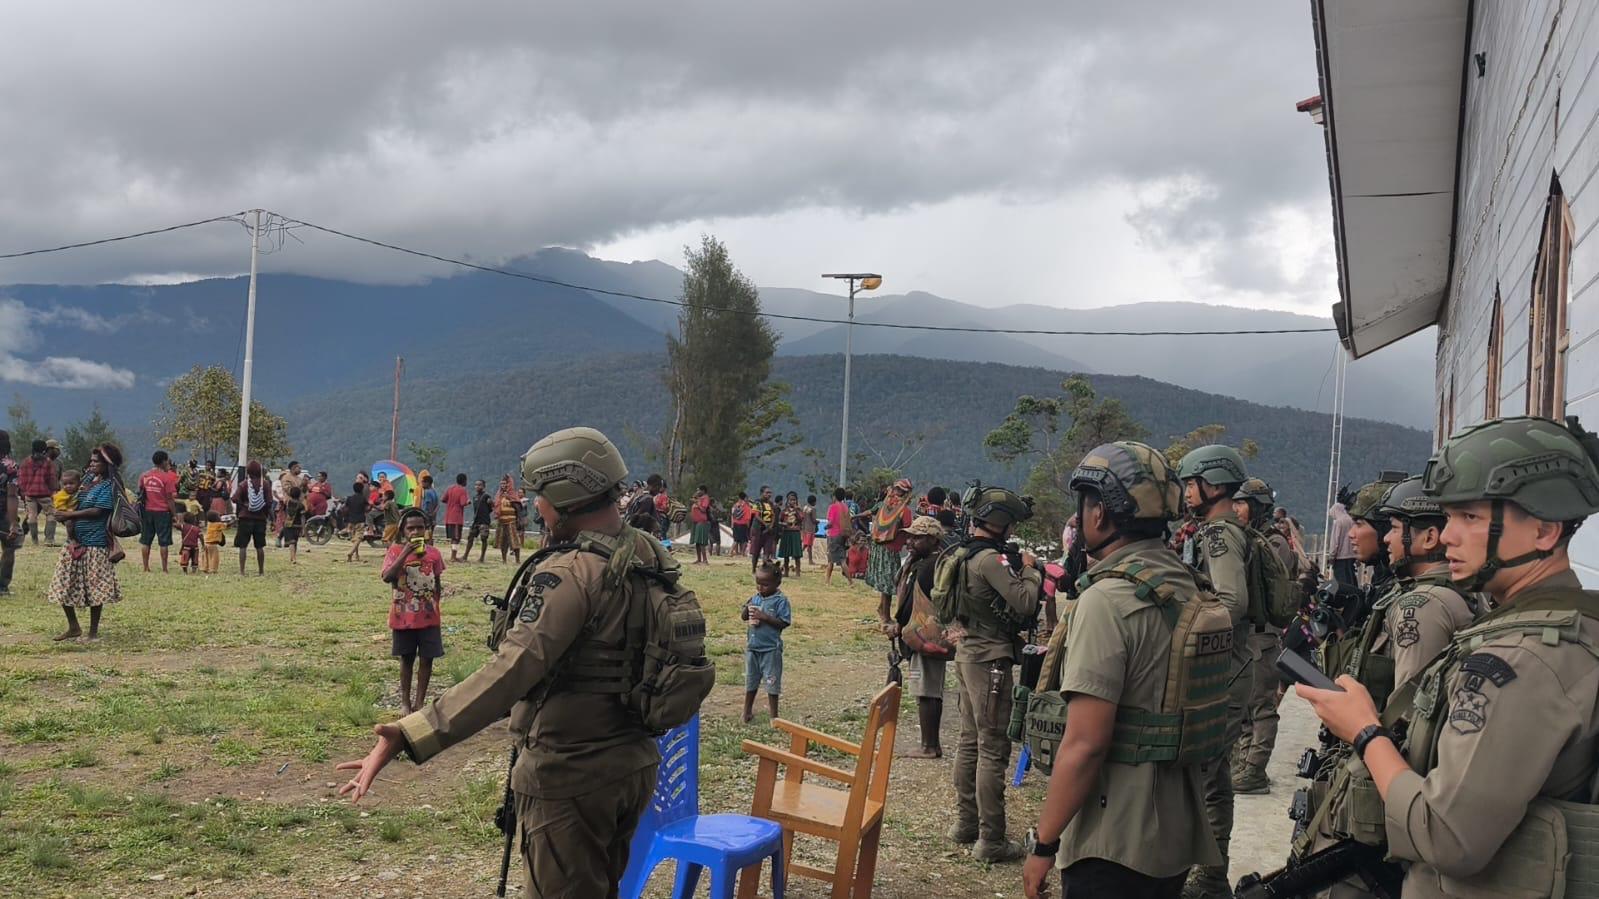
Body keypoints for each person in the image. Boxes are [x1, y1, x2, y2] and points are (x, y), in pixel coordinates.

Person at [336, 427, 667, 897]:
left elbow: (510, 672)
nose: (537, 507)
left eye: (541, 496)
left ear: (566, 495)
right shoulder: (647, 554)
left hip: (572, 773)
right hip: (633, 764)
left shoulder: (571, 573)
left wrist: (411, 733)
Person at [1294, 416, 1599, 898]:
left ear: (1544, 530)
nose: (1448, 536)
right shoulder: (1561, 624)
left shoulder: (1523, 659)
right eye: (1449, 517)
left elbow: (1445, 834)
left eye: (1470, 518)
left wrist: (1365, 731)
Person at [1022, 441, 1222, 899]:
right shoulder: (1186, 585)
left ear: (1099, 513)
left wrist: (1043, 844)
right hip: (1175, 830)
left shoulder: (1106, 601)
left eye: (1085, 505)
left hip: (1112, 839)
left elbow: (1086, 744)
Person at [1289, 475, 1478, 897]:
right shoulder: (1445, 594)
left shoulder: (1419, 607)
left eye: (1393, 527)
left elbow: (1412, 721)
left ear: (1427, 538)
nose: (1386, 537)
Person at [936, 484, 1041, 862]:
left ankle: (966, 823)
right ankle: (991, 839)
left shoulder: (964, 554)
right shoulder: (990, 561)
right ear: (1000, 522)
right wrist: (1030, 571)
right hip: (990, 659)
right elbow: (1025, 602)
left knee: (969, 741)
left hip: (968, 654)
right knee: (992, 748)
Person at [1174, 444, 1256, 899]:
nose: (1187, 492)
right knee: (1214, 773)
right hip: (1232, 665)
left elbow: (1231, 602)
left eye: (1193, 483)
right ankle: (1210, 872)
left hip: (1222, 669)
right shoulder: (1222, 531)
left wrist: (1185, 628)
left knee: (1203, 773)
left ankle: (1207, 875)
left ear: (1216, 484)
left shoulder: (1219, 535)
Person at [1230, 477, 1295, 796]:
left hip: (1263, 635)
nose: (1236, 509)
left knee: (1261, 707)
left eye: (1241, 503)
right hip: (1247, 636)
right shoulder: (1248, 539)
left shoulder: (1273, 543)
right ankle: (1244, 763)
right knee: (1244, 708)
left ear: (1257, 507)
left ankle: (1255, 769)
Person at [881, 515, 952, 759]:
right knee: (929, 689)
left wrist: (898, 626)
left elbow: (912, 605)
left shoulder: (927, 568)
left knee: (926, 691)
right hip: (928, 636)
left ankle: (929, 746)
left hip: (924, 638)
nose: (910, 542)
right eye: (909, 537)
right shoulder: (931, 563)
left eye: (917, 538)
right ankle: (931, 743)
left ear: (933, 540)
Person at [48, 444, 123, 641]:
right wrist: (62, 511)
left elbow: (98, 511)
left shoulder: (108, 486)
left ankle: (93, 632)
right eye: (91, 460)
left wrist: (69, 515)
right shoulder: (87, 480)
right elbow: (71, 496)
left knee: (95, 588)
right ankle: (73, 627)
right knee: (64, 583)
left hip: (95, 543)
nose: (92, 464)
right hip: (75, 542)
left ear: (107, 464)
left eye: (96, 461)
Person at [382, 508, 445, 714]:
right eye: (410, 528)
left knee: (427, 659)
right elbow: (387, 577)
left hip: (428, 617)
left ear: (426, 529)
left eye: (420, 528)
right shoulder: (395, 551)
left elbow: (437, 582)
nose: (415, 532)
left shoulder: (434, 554)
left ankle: (419, 703)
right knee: (406, 659)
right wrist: (405, 553)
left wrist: (435, 604)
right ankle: (405, 702)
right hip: (403, 617)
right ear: (403, 530)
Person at [742, 562, 792, 723]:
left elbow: (784, 623)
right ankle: (747, 712)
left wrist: (765, 617)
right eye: (758, 583)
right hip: (753, 647)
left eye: (765, 584)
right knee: (751, 680)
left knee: (772, 682)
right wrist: (747, 608)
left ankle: (774, 716)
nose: (760, 587)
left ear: (777, 583)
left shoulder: (780, 601)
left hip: (770, 649)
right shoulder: (755, 598)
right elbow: (743, 617)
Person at [861, 479, 914, 608]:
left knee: (886, 583)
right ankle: (884, 612)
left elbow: (871, 513)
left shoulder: (884, 505)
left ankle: (882, 609)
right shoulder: (904, 510)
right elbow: (908, 528)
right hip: (891, 549)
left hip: (878, 546)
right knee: (889, 583)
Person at [137, 450, 179, 573]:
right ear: (164, 461)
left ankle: (146, 567)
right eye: (167, 461)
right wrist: (175, 515)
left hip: (147, 511)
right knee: (163, 542)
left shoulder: (144, 476)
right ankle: (164, 569)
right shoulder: (167, 478)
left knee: (146, 540)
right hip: (163, 512)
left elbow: (140, 491)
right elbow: (170, 499)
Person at [233, 461, 271, 576]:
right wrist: (264, 512)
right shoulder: (265, 484)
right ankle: (261, 571)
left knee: (243, 546)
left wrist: (244, 505)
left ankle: (242, 571)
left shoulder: (244, 484)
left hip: (245, 518)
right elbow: (269, 502)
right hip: (260, 519)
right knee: (260, 546)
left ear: (248, 471)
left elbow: (234, 498)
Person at [19, 439, 58, 548]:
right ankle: (49, 539)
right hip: (45, 494)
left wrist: (24, 491)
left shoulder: (25, 462)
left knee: (32, 515)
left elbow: (21, 479)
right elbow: (52, 479)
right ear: (44, 450)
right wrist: (53, 490)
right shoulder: (48, 462)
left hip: (30, 494)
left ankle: (34, 540)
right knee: (51, 515)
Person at [0, 431, 18, 597]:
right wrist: (13, 523)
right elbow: (12, 496)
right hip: (3, 511)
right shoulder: (10, 466)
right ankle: (2, 586)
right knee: (9, 546)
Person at [747, 486, 778, 574]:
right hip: (758, 530)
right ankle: (754, 569)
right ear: (762, 493)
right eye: (767, 492)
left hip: (769, 531)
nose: (769, 494)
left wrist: (771, 525)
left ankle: (765, 569)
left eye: (770, 493)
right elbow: (756, 516)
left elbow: (773, 515)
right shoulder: (757, 503)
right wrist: (765, 524)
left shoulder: (771, 504)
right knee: (756, 551)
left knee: (767, 551)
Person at [1328, 498, 1358, 590]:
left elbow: (1335, 541)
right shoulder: (1352, 520)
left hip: (1340, 557)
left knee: (1341, 581)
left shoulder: (1338, 522)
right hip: (1352, 555)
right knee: (1351, 578)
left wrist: (1331, 556)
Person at [824, 488, 851, 584]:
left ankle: (827, 580)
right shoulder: (845, 507)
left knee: (831, 560)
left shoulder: (832, 507)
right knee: (842, 560)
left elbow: (830, 522)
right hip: (843, 535)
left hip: (833, 535)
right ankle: (850, 581)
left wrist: (825, 527)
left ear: (834, 496)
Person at [495, 475, 523, 564]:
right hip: (502, 521)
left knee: (514, 541)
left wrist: (509, 498)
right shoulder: (499, 495)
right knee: (503, 541)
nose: (503, 485)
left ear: (509, 484)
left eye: (504, 484)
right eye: (501, 484)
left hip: (511, 521)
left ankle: (517, 560)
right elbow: (496, 506)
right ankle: (504, 560)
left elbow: (518, 506)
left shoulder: (512, 494)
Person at [442, 473, 469, 561]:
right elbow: (462, 503)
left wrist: (451, 502)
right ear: (464, 481)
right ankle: (453, 557)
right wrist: (468, 502)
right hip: (456, 517)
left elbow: (443, 499)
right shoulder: (462, 490)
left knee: (453, 537)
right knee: (456, 538)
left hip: (448, 517)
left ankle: (453, 555)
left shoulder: (450, 488)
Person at [778, 490, 804, 577]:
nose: (792, 501)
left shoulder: (799, 510)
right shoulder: (784, 510)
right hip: (786, 532)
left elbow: (801, 519)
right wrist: (783, 524)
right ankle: (786, 572)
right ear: (787, 500)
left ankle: (797, 573)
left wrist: (796, 510)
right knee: (786, 554)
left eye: (794, 500)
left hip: (795, 533)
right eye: (790, 500)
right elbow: (779, 521)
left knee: (797, 554)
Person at [466, 479, 492, 563]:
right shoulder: (475, 497)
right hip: (476, 521)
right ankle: (465, 555)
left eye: (479, 485)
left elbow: (491, 508)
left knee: (483, 538)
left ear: (483, 486)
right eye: (476, 485)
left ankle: (482, 557)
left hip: (484, 521)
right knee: (470, 537)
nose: (477, 486)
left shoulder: (486, 496)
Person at [344, 481, 370, 562]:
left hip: (351, 521)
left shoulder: (349, 498)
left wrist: (346, 518)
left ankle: (357, 555)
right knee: (359, 538)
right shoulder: (363, 499)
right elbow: (367, 509)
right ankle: (350, 553)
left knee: (355, 540)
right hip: (360, 520)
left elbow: (345, 509)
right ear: (362, 489)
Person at [282, 486, 306, 565]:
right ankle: (293, 557)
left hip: (288, 525)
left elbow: (284, 513)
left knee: (291, 542)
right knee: (295, 542)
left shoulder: (287, 503)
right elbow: (303, 517)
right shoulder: (301, 505)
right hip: (297, 525)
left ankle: (293, 557)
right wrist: (303, 528)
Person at [689, 485, 712, 565]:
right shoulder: (698, 498)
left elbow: (703, 509)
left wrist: (697, 503)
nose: (697, 492)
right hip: (695, 522)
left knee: (701, 541)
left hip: (702, 521)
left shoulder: (705, 498)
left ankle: (705, 560)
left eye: (698, 490)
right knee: (697, 542)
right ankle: (699, 559)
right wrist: (695, 498)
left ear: (703, 491)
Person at [203, 510, 225, 575]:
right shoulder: (217, 525)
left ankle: (206, 568)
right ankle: (213, 570)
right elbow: (226, 526)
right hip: (213, 544)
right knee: (214, 557)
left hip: (206, 543)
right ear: (215, 518)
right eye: (218, 516)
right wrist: (233, 521)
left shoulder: (209, 524)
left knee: (207, 557)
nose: (220, 517)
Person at [730, 491, 752, 557]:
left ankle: (731, 551)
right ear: (745, 498)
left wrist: (732, 524)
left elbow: (732, 515)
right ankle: (742, 553)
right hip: (743, 524)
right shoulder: (746, 506)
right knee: (745, 540)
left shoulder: (735, 505)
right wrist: (748, 526)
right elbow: (748, 518)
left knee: (736, 540)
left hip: (735, 524)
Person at [802, 494, 818, 565]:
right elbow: (813, 520)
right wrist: (818, 522)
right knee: (809, 545)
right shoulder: (812, 509)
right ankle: (810, 560)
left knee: (805, 544)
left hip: (805, 528)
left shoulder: (805, 508)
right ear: (813, 502)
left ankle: (798, 555)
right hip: (811, 529)